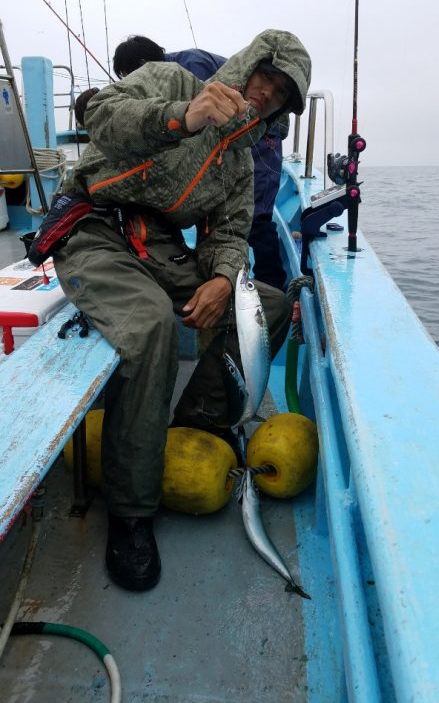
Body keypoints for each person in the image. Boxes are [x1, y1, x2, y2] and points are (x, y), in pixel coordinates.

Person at [54, 29, 311, 592]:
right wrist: (181, 117)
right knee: (150, 328)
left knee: (261, 305)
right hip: (96, 227)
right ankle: (130, 512)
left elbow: (232, 230)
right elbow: (103, 114)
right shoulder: (171, 80)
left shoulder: (241, 162)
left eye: (285, 94)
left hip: (161, 243)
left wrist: (222, 277)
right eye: (268, 76)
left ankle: (196, 422)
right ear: (247, 65)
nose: (269, 93)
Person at [111, 35, 289, 290]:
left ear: (142, 63)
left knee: (257, 215)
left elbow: (212, 124)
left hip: (259, 134)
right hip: (230, 134)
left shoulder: (190, 66)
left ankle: (272, 286)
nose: (133, 83)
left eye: (130, 75)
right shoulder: (165, 73)